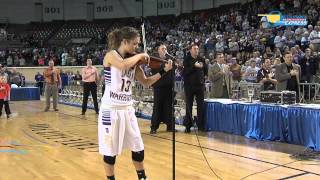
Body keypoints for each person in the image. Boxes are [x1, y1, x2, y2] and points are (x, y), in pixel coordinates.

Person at [99, 26, 172, 180]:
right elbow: (123, 65)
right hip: (110, 110)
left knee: (138, 148)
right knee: (110, 151)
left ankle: (142, 177)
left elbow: (146, 82)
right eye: (135, 44)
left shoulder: (134, 62)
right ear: (124, 42)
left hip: (127, 108)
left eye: (138, 44)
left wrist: (163, 71)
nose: (137, 47)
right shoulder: (111, 55)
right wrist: (140, 56)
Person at [150, 44, 175, 134]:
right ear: (158, 50)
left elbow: (173, 69)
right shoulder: (154, 60)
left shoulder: (170, 59)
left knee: (169, 107)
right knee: (157, 107)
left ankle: (170, 126)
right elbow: (155, 70)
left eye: (165, 48)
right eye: (162, 48)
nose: (165, 50)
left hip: (169, 87)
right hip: (159, 87)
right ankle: (154, 127)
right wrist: (165, 67)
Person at [183, 43, 208, 133]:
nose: (196, 50)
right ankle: (188, 126)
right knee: (189, 106)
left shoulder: (201, 59)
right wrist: (194, 66)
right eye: (194, 49)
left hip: (200, 86)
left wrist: (205, 76)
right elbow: (185, 72)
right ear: (190, 50)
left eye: (197, 48)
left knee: (200, 106)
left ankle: (200, 125)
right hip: (189, 86)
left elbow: (205, 69)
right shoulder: (186, 59)